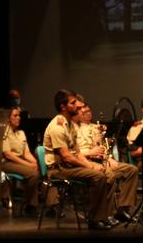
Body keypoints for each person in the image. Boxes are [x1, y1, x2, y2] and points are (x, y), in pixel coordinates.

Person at [42, 89, 113, 230]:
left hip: (68, 167)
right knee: (98, 176)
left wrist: (90, 165)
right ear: (63, 106)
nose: (77, 106)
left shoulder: (69, 125)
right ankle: (94, 220)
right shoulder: (58, 126)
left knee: (106, 173)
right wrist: (91, 167)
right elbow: (66, 156)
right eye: (73, 103)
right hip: (58, 170)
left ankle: (103, 216)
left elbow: (78, 153)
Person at [75, 99, 138, 222]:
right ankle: (105, 214)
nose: (88, 113)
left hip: (101, 159)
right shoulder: (75, 128)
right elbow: (75, 153)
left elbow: (103, 147)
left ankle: (122, 209)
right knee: (109, 175)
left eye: (89, 111)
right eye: (84, 111)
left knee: (131, 170)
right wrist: (92, 152)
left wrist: (108, 155)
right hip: (86, 161)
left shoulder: (96, 127)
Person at [1, 107, 56, 216]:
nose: (19, 118)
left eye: (19, 115)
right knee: (33, 174)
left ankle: (52, 206)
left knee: (47, 171)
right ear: (8, 118)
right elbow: (8, 155)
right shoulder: (3, 132)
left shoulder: (21, 133)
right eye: (15, 115)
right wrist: (29, 165)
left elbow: (26, 153)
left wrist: (37, 163)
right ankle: (31, 206)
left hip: (19, 161)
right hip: (6, 163)